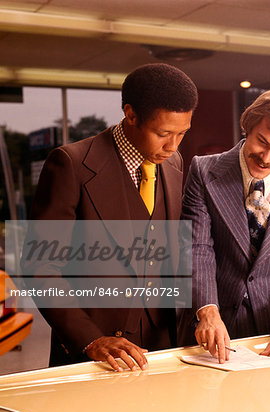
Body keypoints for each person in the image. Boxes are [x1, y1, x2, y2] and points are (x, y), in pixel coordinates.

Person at [22, 63, 198, 371]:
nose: (173, 146)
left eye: (182, 133)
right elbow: (40, 267)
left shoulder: (173, 163)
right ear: (130, 115)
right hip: (97, 353)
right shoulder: (70, 164)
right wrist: (91, 340)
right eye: (163, 133)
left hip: (164, 347)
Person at [177, 85, 270, 363]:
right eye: (262, 142)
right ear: (248, 127)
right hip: (213, 329)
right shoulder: (203, 170)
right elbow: (196, 249)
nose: (267, 158)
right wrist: (207, 311)